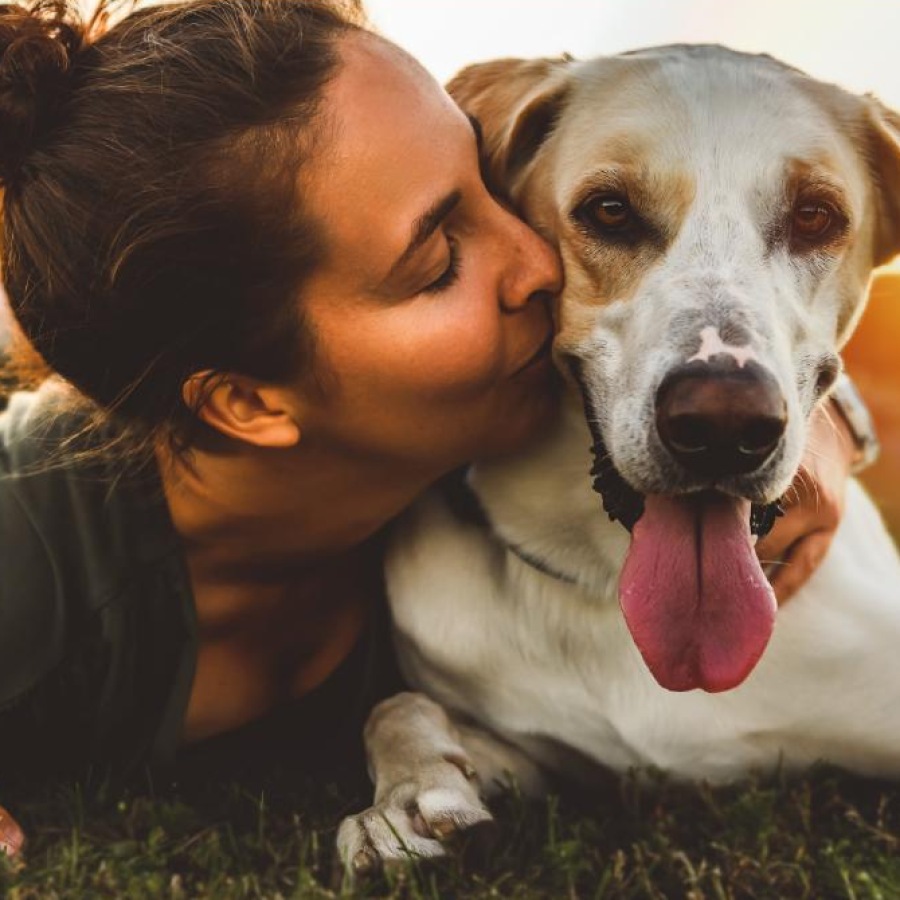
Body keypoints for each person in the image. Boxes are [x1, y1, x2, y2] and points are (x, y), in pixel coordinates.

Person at [0, 0, 862, 857]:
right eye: (440, 263)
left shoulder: (465, 439)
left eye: (493, 188)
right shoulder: (34, 547)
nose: (538, 262)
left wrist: (822, 415)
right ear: (249, 403)